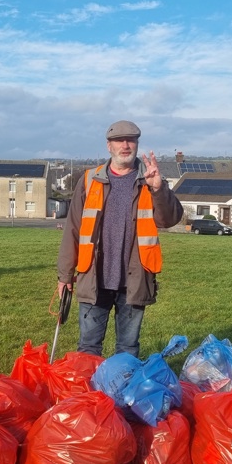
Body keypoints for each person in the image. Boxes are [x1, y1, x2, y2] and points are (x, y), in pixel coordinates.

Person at [57, 120, 183, 357]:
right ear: (109, 146)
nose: (125, 145)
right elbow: (72, 230)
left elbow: (169, 220)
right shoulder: (88, 180)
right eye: (119, 140)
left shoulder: (150, 180)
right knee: (88, 349)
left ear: (136, 144)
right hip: (94, 278)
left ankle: (121, 392)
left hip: (134, 281)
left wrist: (158, 189)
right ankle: (88, 394)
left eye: (131, 140)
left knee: (127, 349)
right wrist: (65, 275)